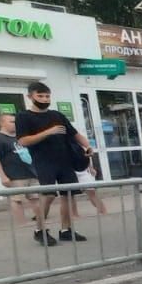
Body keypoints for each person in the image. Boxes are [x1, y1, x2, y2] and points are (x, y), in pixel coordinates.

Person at [14, 81, 91, 242]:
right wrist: (48, 132)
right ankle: (40, 230)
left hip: (64, 160)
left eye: (47, 96)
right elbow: (23, 141)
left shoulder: (57, 115)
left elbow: (74, 134)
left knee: (68, 195)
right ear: (30, 96)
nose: (44, 99)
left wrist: (87, 146)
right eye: (40, 96)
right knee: (48, 195)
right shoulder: (23, 116)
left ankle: (66, 230)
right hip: (43, 161)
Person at [0, 113, 52, 245]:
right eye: (11, 121)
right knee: (17, 200)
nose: (15, 124)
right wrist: (2, 176)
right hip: (14, 175)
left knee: (37, 199)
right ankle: (21, 224)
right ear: (2, 123)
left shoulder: (21, 137)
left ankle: (40, 226)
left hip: (31, 173)